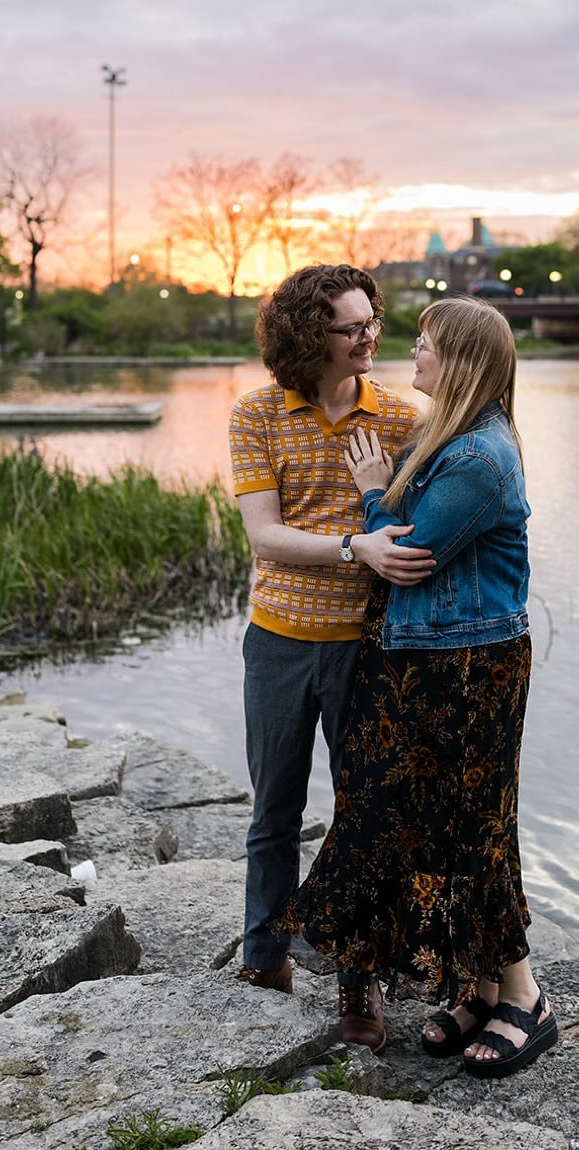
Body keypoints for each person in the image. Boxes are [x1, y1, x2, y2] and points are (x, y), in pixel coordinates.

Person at [283, 295, 557, 1078]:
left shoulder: (478, 458)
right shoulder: (454, 438)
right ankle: (475, 989)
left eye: (427, 343)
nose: (414, 352)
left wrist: (373, 493)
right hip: (433, 659)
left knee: (474, 826)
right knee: (440, 824)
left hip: (471, 669)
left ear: (461, 361)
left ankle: (526, 1001)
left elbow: (412, 552)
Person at [228, 263, 430, 997]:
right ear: (311, 337)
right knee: (274, 811)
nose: (372, 336)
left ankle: (361, 979)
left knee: (367, 816)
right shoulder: (255, 415)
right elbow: (265, 537)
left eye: (373, 321)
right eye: (354, 328)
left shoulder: (405, 418)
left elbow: (418, 528)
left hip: (369, 648)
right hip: (278, 642)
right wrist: (355, 547)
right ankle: (265, 956)